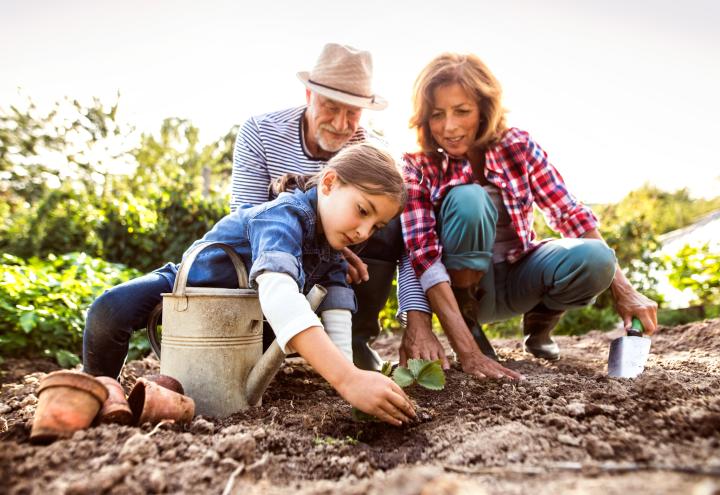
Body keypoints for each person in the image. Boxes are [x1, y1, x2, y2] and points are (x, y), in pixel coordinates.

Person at [83, 144, 415, 426]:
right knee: (109, 309)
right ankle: (100, 390)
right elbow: (278, 291)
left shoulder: (331, 247)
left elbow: (337, 310)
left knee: (274, 339)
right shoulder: (283, 216)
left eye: (376, 226)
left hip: (240, 323)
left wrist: (346, 376)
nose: (363, 232)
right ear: (329, 183)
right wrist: (347, 379)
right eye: (362, 211)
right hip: (188, 288)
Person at [397, 53, 658, 380]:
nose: (449, 127)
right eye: (437, 115)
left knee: (598, 259)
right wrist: (469, 353)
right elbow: (422, 256)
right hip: (469, 291)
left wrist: (625, 290)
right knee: (469, 199)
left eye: (462, 111)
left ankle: (539, 325)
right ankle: (470, 328)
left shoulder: (517, 145)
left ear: (483, 109)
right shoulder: (417, 165)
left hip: (521, 273)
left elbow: (568, 213)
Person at [232, 42, 403, 371]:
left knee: (386, 217)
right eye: (330, 107)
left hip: (335, 254)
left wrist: (414, 319)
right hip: (275, 253)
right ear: (309, 96)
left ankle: (354, 337)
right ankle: (265, 332)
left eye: (352, 112)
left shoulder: (368, 149)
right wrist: (331, 251)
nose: (341, 124)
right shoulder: (260, 132)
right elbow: (247, 217)